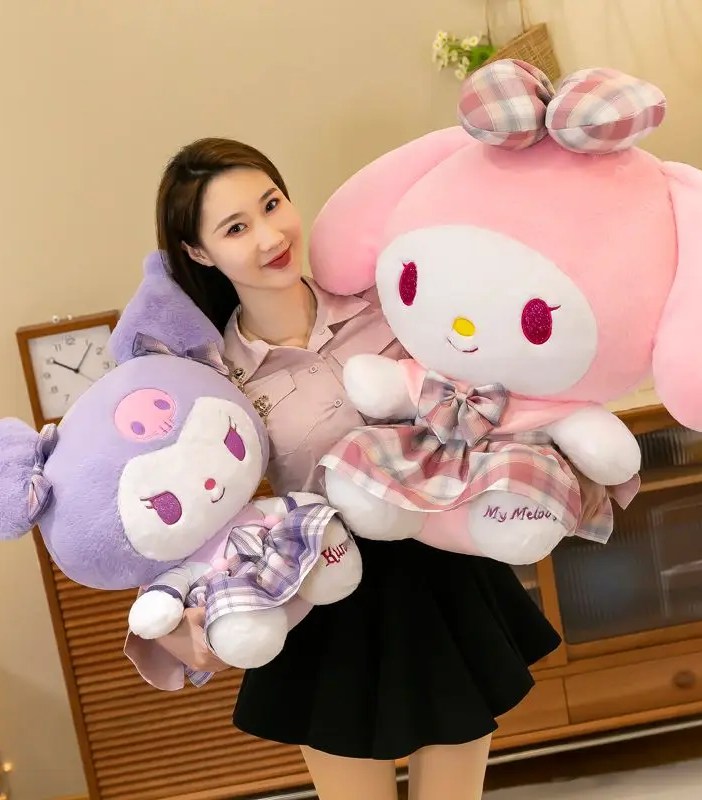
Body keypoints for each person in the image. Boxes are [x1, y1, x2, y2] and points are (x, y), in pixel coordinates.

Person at [125, 136, 607, 800]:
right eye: (236, 227)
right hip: (327, 588)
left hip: (442, 573)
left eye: (272, 204)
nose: (270, 236)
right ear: (199, 252)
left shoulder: (390, 302)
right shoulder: (214, 379)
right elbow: (194, 502)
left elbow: (482, 382)